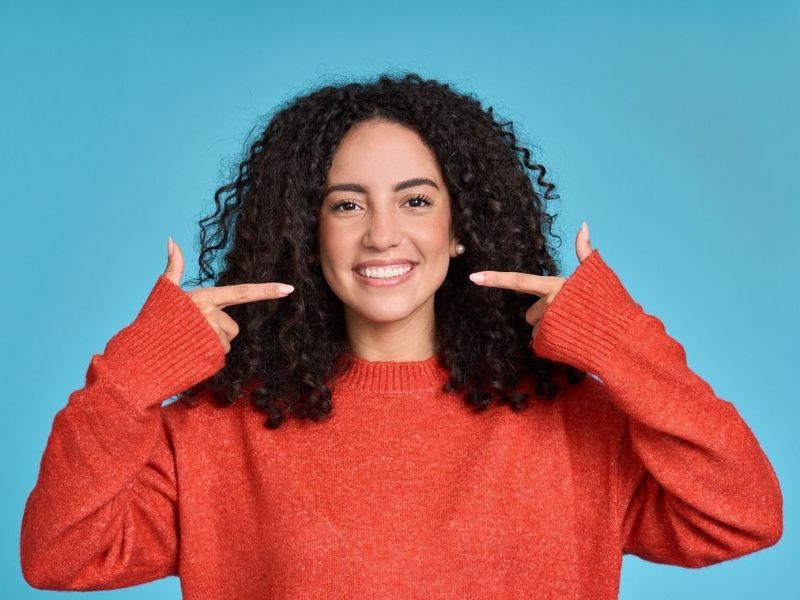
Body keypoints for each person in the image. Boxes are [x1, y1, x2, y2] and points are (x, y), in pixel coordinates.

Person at [20, 72, 782, 598]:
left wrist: (621, 345)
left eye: (416, 201)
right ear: (307, 234)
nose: (384, 235)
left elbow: (745, 513)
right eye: (346, 206)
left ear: (460, 229)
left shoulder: (574, 425)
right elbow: (58, 554)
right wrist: (131, 376)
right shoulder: (219, 433)